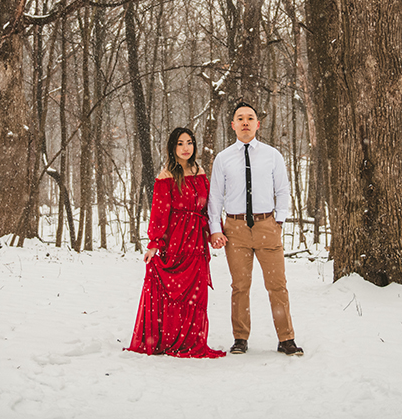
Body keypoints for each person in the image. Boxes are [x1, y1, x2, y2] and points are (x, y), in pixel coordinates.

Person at [208, 102, 303, 357]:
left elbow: (282, 190)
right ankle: (240, 338)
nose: (246, 122)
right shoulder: (223, 158)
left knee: (277, 285)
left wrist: (279, 221)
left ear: (257, 124)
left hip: (266, 226)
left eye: (250, 118)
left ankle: (286, 338)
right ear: (233, 125)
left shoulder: (272, 155)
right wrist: (215, 229)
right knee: (240, 285)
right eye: (240, 118)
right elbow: (215, 197)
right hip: (235, 229)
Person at [126, 127, 225, 358]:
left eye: (189, 142)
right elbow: (159, 213)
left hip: (197, 243)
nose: (185, 148)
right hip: (176, 241)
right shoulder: (166, 176)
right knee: (175, 293)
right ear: (173, 147)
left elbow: (209, 206)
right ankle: (172, 339)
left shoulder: (200, 172)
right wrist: (154, 243)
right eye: (180, 143)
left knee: (197, 294)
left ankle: (192, 341)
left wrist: (215, 231)